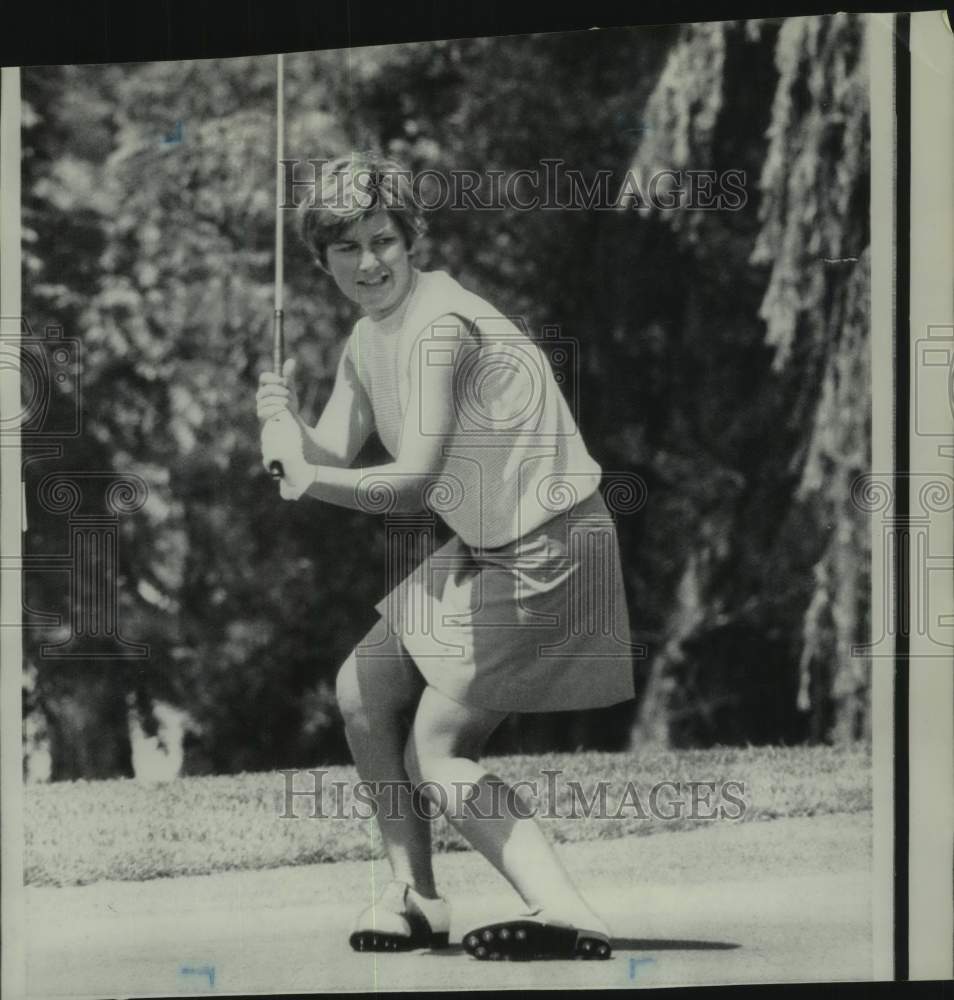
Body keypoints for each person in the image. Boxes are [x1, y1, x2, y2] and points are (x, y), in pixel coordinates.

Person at [257, 152, 636, 961]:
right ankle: (416, 897)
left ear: (411, 236)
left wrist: (307, 478)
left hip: (553, 543)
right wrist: (283, 423)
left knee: (438, 749)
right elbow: (331, 443)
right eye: (347, 249)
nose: (369, 262)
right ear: (323, 261)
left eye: (384, 240)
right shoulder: (369, 336)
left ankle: (566, 911)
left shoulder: (440, 326)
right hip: (487, 543)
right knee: (362, 688)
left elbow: (408, 480)